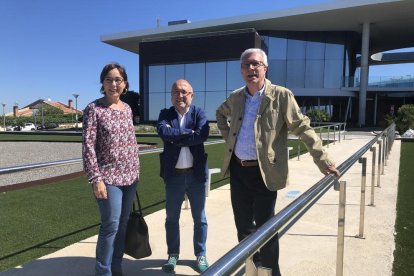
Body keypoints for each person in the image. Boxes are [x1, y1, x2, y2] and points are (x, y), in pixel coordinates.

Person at [216, 48, 340, 276]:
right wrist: (230, 139)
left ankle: (273, 273)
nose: (250, 69)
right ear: (241, 71)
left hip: (265, 173)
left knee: (266, 230)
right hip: (238, 170)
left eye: (255, 64)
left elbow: (302, 128)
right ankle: (252, 269)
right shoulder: (236, 97)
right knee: (243, 228)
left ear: (265, 68)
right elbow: (220, 114)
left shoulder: (281, 96)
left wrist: (323, 161)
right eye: (246, 65)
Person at [82, 63, 140, 276]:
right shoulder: (93, 109)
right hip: (108, 178)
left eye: (118, 80)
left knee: (123, 225)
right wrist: (95, 178)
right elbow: (88, 146)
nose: (113, 84)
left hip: (131, 177)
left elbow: (131, 141)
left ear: (124, 84)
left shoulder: (127, 109)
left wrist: (136, 170)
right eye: (109, 79)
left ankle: (117, 268)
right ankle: (103, 272)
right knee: (110, 226)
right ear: (102, 83)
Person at [157, 79, 210, 273]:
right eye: (176, 92)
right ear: (171, 95)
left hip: (195, 177)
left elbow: (202, 135)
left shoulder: (199, 113)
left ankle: (200, 254)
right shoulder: (165, 114)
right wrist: (189, 133)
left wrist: (176, 137)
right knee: (171, 219)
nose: (180, 95)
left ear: (191, 95)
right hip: (174, 177)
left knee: (200, 219)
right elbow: (163, 132)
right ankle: (173, 255)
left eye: (184, 92)